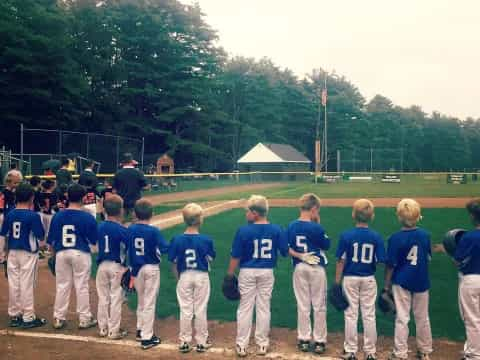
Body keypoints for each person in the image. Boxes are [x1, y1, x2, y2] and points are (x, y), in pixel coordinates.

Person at [226, 195, 289, 357]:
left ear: (255, 213)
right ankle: (262, 343)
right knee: (264, 307)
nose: (246, 214)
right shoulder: (276, 229)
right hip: (267, 272)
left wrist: (229, 274)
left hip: (247, 272)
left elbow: (236, 256)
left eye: (248, 211)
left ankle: (241, 344)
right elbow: (284, 252)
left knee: (245, 308)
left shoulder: (243, 230)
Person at [335, 199, 386, 360]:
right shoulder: (376, 236)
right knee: (369, 314)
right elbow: (380, 260)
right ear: (372, 216)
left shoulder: (346, 235)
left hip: (350, 278)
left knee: (350, 314)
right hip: (368, 278)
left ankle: (350, 351)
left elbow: (341, 261)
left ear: (353, 215)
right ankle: (370, 352)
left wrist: (337, 282)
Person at [385, 199, 432, 360]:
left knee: (402, 318)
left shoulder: (395, 238)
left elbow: (391, 264)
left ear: (399, 217)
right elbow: (428, 257)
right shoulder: (425, 235)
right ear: (418, 216)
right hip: (421, 280)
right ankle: (424, 351)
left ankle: (400, 353)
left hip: (401, 281)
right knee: (422, 317)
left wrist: (386, 286)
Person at [47, 183, 98, 330]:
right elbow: (93, 240)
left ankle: (58, 318)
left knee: (62, 285)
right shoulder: (87, 217)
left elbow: (51, 241)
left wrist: (53, 255)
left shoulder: (58, 216)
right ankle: (84, 319)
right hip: (80, 253)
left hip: (62, 253)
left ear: (67, 197)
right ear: (83, 198)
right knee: (81, 286)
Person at [168, 203, 216, 353]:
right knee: (200, 309)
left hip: (184, 276)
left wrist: (178, 279)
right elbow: (210, 258)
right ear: (199, 220)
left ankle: (184, 341)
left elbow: (173, 263)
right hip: (201, 275)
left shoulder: (176, 239)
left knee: (185, 309)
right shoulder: (206, 239)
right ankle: (201, 341)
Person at [287, 193, 330, 354]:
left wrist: (300, 256)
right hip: (317, 268)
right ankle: (319, 341)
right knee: (319, 305)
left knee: (303, 304)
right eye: (317, 210)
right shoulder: (316, 226)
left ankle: (304, 339)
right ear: (313, 209)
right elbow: (326, 245)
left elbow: (287, 248)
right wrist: (318, 223)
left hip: (299, 267)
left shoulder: (292, 226)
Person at [0, 183, 47, 328]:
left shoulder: (10, 214)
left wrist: (4, 254)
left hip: (12, 252)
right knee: (27, 284)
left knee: (14, 284)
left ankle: (15, 315)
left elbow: (4, 235)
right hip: (27, 254)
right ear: (32, 198)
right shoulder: (33, 216)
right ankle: (28, 317)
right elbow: (40, 237)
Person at [127, 198, 169, 350]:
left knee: (141, 300)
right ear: (152, 214)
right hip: (150, 269)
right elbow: (165, 249)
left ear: (135, 214)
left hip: (136, 269)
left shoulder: (130, 229)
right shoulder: (154, 231)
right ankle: (147, 337)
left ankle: (140, 329)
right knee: (149, 302)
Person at [96, 194, 130, 339]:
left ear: (105, 210)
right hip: (116, 267)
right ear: (121, 211)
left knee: (103, 298)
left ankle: (102, 328)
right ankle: (113, 331)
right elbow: (128, 250)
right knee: (116, 299)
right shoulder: (122, 230)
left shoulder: (100, 226)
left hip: (102, 266)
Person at [454, 198, 480, 360]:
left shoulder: (469, 237)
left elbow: (457, 261)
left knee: (472, 319)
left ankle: (473, 355)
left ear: (472, 216)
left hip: (471, 280)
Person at [113, 153, 147, 219]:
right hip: (135, 201)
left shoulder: (118, 173)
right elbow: (145, 187)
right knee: (135, 220)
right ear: (132, 161)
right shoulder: (138, 173)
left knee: (119, 220)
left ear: (123, 162)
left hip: (122, 201)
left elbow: (114, 190)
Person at [0, 171, 22, 262]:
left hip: (10, 217)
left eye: (18, 183)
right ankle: (1, 256)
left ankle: (7, 255)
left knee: (9, 237)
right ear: (8, 182)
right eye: (15, 183)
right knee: (2, 237)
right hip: (3, 216)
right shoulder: (5, 193)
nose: (17, 185)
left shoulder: (13, 192)